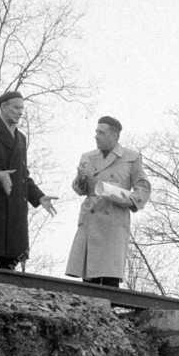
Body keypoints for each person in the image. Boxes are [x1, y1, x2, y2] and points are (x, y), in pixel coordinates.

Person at [0, 89, 56, 269]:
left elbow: (23, 175)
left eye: (22, 108)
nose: (20, 112)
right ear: (3, 107)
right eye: (16, 108)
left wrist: (38, 197)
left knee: (9, 270)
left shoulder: (21, 138)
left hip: (14, 212)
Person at [65, 115, 150, 287]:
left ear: (115, 135)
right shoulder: (88, 157)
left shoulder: (131, 157)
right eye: (96, 132)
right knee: (88, 278)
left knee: (108, 277)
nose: (96, 136)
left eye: (101, 133)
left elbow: (143, 188)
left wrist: (125, 198)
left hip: (113, 223)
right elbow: (79, 190)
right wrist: (81, 178)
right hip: (90, 220)